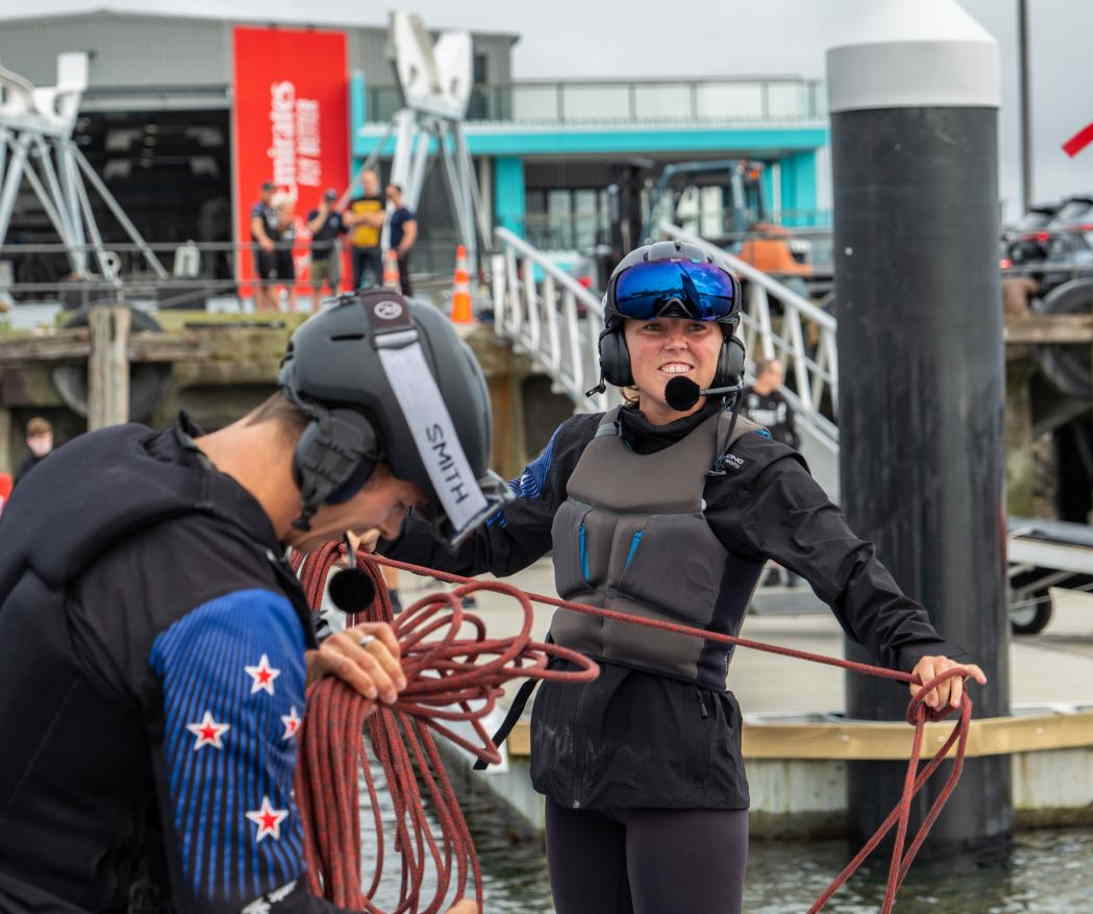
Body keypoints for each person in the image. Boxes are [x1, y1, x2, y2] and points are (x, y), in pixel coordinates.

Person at [380, 241, 987, 914]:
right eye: (653, 329)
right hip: (570, 751)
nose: (677, 346)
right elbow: (484, 546)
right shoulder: (578, 445)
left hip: (678, 762)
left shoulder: (752, 467)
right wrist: (382, 527)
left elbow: (846, 569)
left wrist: (922, 651)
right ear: (619, 348)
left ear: (723, 347)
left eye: (696, 330)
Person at [0, 289, 506, 914]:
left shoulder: (102, 460)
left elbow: (111, 649)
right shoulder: (234, 616)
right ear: (339, 456)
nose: (394, 532)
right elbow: (246, 904)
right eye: (401, 504)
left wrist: (297, 662)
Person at [742, 358, 800, 586]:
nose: (780, 379)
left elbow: (793, 436)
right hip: (749, 473)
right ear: (765, 375)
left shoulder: (781, 401)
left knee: (784, 519)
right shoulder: (744, 398)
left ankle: (787, 573)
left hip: (778, 472)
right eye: (776, 373)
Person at [343, 170, 386, 292]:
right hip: (357, 245)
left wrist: (358, 218)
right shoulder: (355, 201)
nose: (366, 184)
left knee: (378, 280)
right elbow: (347, 220)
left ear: (375, 182)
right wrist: (369, 216)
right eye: (364, 182)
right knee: (356, 280)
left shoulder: (381, 200)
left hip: (374, 245)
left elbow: (378, 221)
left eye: (369, 182)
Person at [307, 188, 346, 308]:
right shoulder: (314, 213)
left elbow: (344, 233)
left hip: (332, 256)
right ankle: (314, 312)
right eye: (328, 201)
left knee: (335, 284)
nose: (330, 204)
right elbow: (313, 228)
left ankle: (336, 310)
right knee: (316, 287)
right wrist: (322, 214)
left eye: (332, 201)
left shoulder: (337, 216)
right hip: (317, 256)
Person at [250, 181, 280, 311]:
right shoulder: (258, 208)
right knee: (264, 282)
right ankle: (267, 311)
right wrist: (264, 240)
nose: (270, 195)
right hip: (263, 250)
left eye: (272, 192)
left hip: (272, 251)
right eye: (268, 192)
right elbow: (255, 227)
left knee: (269, 282)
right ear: (262, 192)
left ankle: (270, 311)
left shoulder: (273, 210)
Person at [385, 183, 418, 297]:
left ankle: (409, 300)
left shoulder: (405, 212)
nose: (389, 196)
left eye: (392, 194)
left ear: (398, 194)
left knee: (404, 278)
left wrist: (402, 249)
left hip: (400, 250)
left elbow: (411, 232)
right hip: (394, 250)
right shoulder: (394, 212)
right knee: (394, 278)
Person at [271, 193, 298, 312]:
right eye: (288, 208)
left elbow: (292, 238)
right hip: (276, 256)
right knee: (273, 285)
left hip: (288, 256)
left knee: (290, 285)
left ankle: (292, 310)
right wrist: (283, 218)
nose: (290, 211)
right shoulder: (276, 220)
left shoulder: (291, 222)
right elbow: (278, 227)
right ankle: (279, 311)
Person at [13, 415, 53, 488]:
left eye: (44, 438)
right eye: (37, 439)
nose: (41, 443)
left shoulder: (57, 460)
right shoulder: (25, 468)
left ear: (50, 437)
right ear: (29, 441)